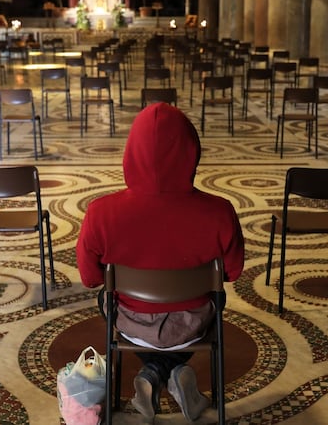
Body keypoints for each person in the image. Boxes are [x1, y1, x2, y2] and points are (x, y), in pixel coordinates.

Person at [76, 102, 245, 422]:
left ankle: (152, 371)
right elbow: (233, 272)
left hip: (131, 323)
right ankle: (174, 371)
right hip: (193, 326)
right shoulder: (220, 211)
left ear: (131, 153)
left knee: (104, 297)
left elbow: (89, 277)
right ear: (192, 151)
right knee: (217, 296)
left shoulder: (100, 213)